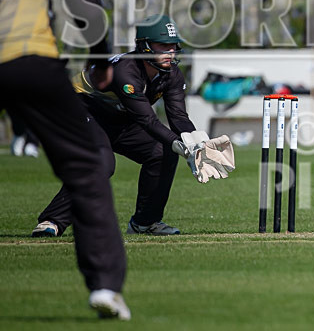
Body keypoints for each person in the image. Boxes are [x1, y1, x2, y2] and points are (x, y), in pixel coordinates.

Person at [0, 0, 130, 319]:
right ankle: (105, 287)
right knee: (89, 165)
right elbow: (81, 0)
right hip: (30, 59)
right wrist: (101, 61)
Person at [33, 14, 233, 238]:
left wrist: (198, 141)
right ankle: (52, 221)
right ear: (144, 46)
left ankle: (145, 223)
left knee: (161, 153)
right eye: (163, 46)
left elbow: (178, 116)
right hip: (82, 110)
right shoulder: (125, 72)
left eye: (173, 46)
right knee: (102, 163)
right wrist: (179, 144)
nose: (170, 52)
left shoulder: (172, 74)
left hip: (119, 118)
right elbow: (147, 120)